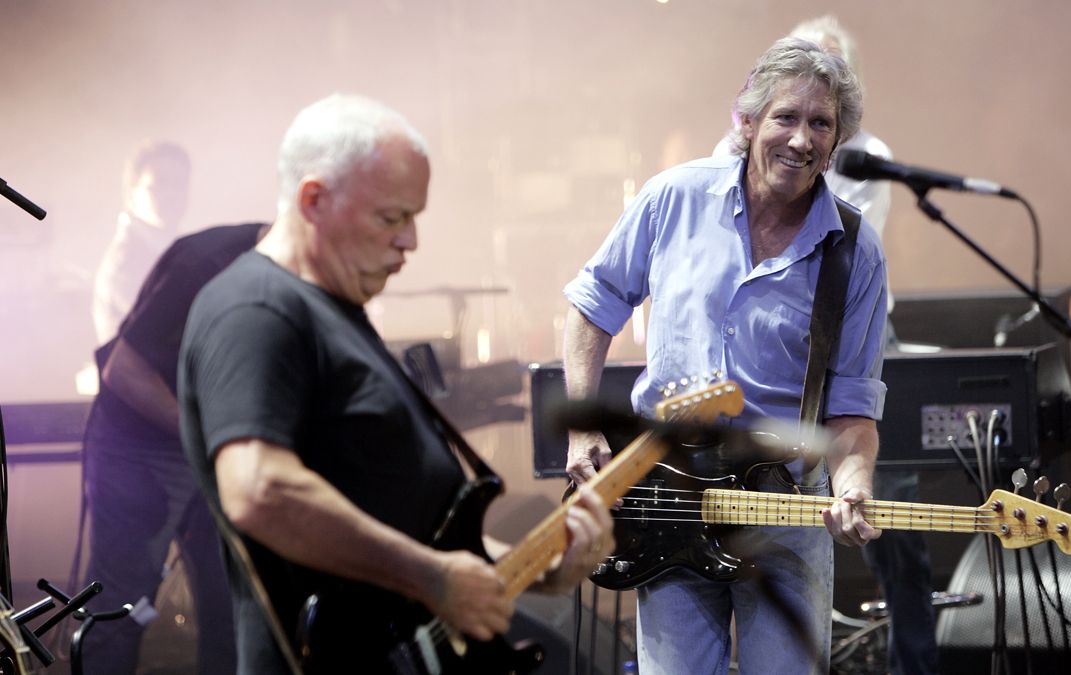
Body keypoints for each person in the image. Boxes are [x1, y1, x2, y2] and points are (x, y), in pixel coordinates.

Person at [177, 93, 615, 675]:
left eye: (414, 217)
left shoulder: (333, 310)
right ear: (314, 199)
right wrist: (434, 578)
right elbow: (259, 489)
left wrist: (544, 569)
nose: (410, 241)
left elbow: (414, 533)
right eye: (392, 217)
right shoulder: (256, 310)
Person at [564, 37, 888, 674]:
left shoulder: (854, 250)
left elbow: (851, 408)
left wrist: (854, 488)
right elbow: (592, 304)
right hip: (667, 495)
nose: (801, 139)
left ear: (837, 139)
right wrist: (581, 427)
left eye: (820, 123)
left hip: (785, 511)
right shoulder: (672, 199)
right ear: (747, 122)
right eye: (785, 118)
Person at [786, 15, 938, 675]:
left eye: (825, 68)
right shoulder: (738, 144)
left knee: (893, 518)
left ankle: (914, 665)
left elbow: (828, 244)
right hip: (783, 348)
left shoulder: (865, 155)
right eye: (800, 66)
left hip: (861, 339)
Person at [80, 222, 266, 674]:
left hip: (213, 447)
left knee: (238, 607)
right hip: (138, 446)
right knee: (118, 610)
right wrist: (208, 438)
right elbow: (123, 371)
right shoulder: (204, 262)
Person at [93, 140, 191, 345]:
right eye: (159, 184)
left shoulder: (175, 248)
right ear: (131, 194)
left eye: (180, 184)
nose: (172, 194)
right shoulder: (125, 262)